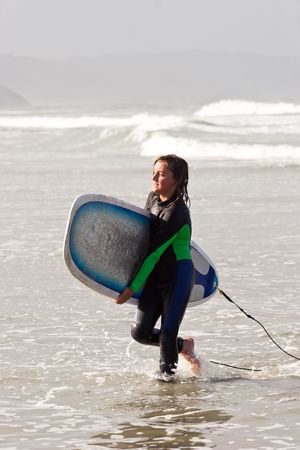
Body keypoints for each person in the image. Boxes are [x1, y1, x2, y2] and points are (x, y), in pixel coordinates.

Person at [114, 154, 201, 377]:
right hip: (154, 276)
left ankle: (167, 387)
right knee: (140, 333)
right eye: (154, 172)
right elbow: (143, 237)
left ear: (176, 179)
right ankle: (185, 347)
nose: (154, 177)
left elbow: (154, 252)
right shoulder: (153, 198)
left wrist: (132, 287)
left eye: (161, 174)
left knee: (167, 334)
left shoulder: (177, 213)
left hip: (177, 277)